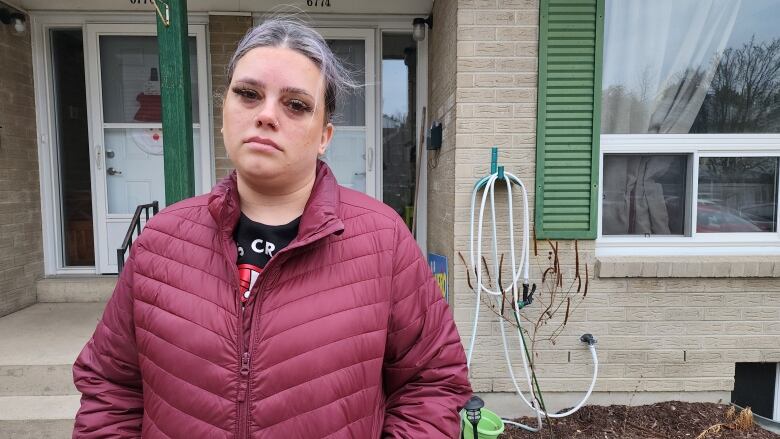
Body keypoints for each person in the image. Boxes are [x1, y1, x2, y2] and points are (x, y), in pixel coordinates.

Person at [72, 16, 472, 438]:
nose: (266, 115)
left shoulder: (384, 241)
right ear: (223, 112)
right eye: (248, 94)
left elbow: (433, 382)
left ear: (325, 135)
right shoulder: (159, 242)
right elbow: (110, 386)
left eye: (295, 104)